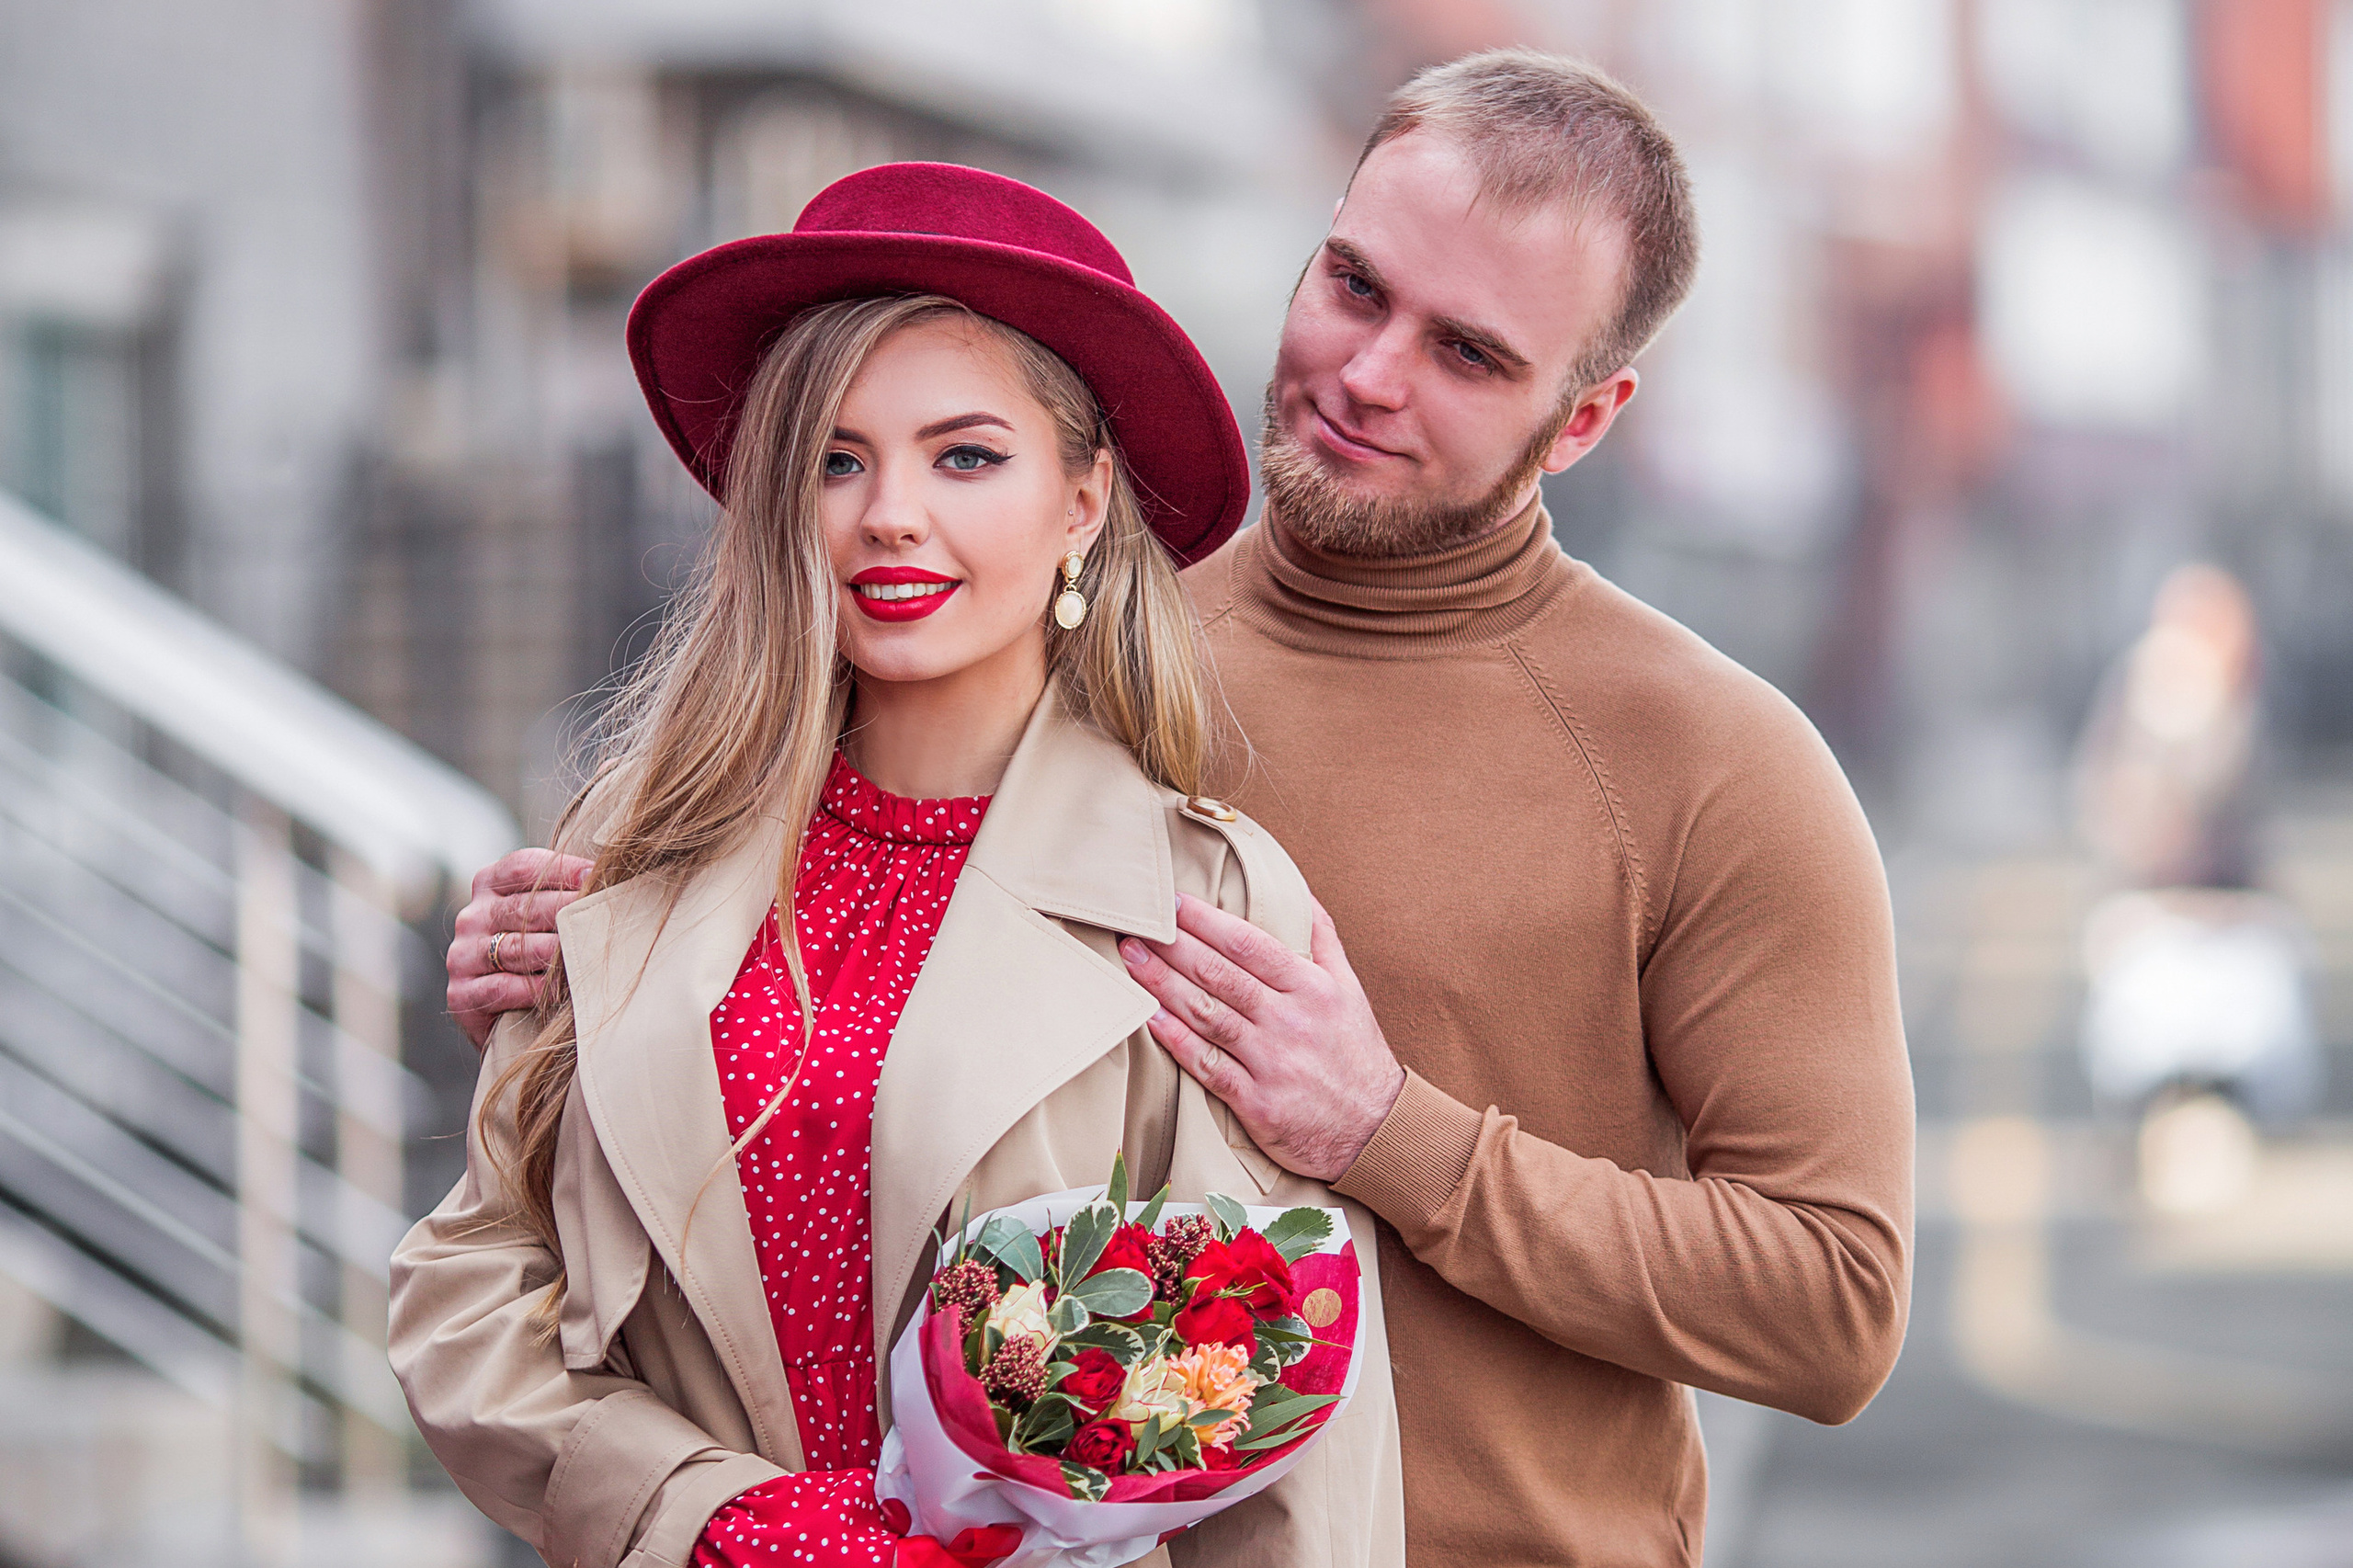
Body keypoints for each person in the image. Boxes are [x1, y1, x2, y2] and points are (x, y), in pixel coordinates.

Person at [449, 51, 1915, 1567]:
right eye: (1355, 286)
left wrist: (1390, 1133)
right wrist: (595, 999)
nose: (1368, 373)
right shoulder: (1034, 658)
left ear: (1587, 415)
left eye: (1470, 353)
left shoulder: (1714, 763)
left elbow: (1836, 1305)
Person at [393, 164, 1404, 1568]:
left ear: (1083, 501)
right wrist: (722, 1515)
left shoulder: (1206, 898)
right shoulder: (627, 852)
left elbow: (1290, 1423)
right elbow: (468, 1283)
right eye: (837, 457)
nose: (890, 516)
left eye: (967, 456)